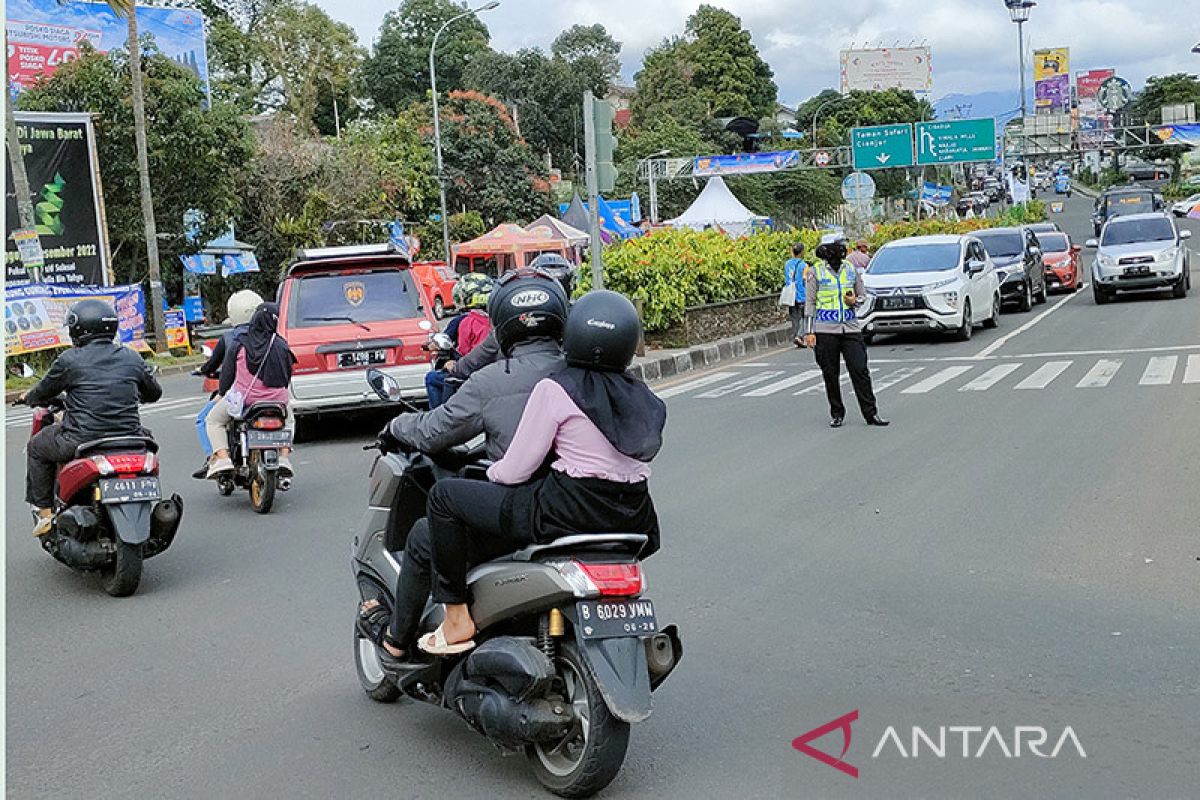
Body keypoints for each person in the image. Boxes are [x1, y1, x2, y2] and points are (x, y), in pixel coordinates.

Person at [417, 290, 667, 655]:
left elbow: (516, 470)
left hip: (566, 511)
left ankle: (456, 618)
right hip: (634, 516)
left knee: (444, 498)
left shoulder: (555, 388)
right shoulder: (645, 397)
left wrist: (490, 474)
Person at [357, 270, 570, 662]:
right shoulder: (586, 372)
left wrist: (395, 425)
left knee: (425, 535)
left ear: (502, 324)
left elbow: (433, 432)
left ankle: (397, 641)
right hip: (588, 507)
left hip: (525, 511)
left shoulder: (491, 382)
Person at [20, 299, 162, 536]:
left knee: (36, 446)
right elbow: (154, 393)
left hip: (81, 438)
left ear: (77, 328)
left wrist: (28, 397)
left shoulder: (70, 360)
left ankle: (44, 511)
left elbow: (43, 391)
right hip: (130, 438)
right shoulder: (132, 357)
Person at [803, 233, 889, 429]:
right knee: (830, 373)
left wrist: (855, 301)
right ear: (827, 251)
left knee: (860, 370)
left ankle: (871, 413)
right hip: (825, 330)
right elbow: (810, 303)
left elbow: (863, 295)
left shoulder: (850, 269)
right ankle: (837, 413)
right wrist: (809, 332)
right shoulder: (815, 272)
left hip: (850, 327)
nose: (841, 250)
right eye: (837, 246)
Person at [204, 302, 297, 478]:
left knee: (213, 420)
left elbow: (227, 375)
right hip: (278, 401)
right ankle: (284, 457)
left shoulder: (240, 343)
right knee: (289, 421)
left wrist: (222, 393)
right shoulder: (282, 345)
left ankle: (223, 459)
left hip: (245, 400)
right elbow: (288, 376)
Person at [191, 289, 262, 478]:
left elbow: (221, 369)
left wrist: (208, 376)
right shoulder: (270, 337)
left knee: (205, 419)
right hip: (270, 393)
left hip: (236, 395)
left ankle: (216, 457)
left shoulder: (232, 339)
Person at [424, 274, 493, 408]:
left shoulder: (468, 321)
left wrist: (451, 365)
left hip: (473, 377)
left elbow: (465, 356)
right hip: (496, 375)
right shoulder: (498, 318)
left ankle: (439, 420)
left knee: (432, 378)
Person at [782, 242, 808, 348]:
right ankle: (799, 335)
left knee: (794, 317)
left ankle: (796, 335)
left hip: (790, 294)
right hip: (801, 294)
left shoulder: (787, 264)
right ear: (802, 252)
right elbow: (805, 279)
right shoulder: (804, 265)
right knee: (804, 316)